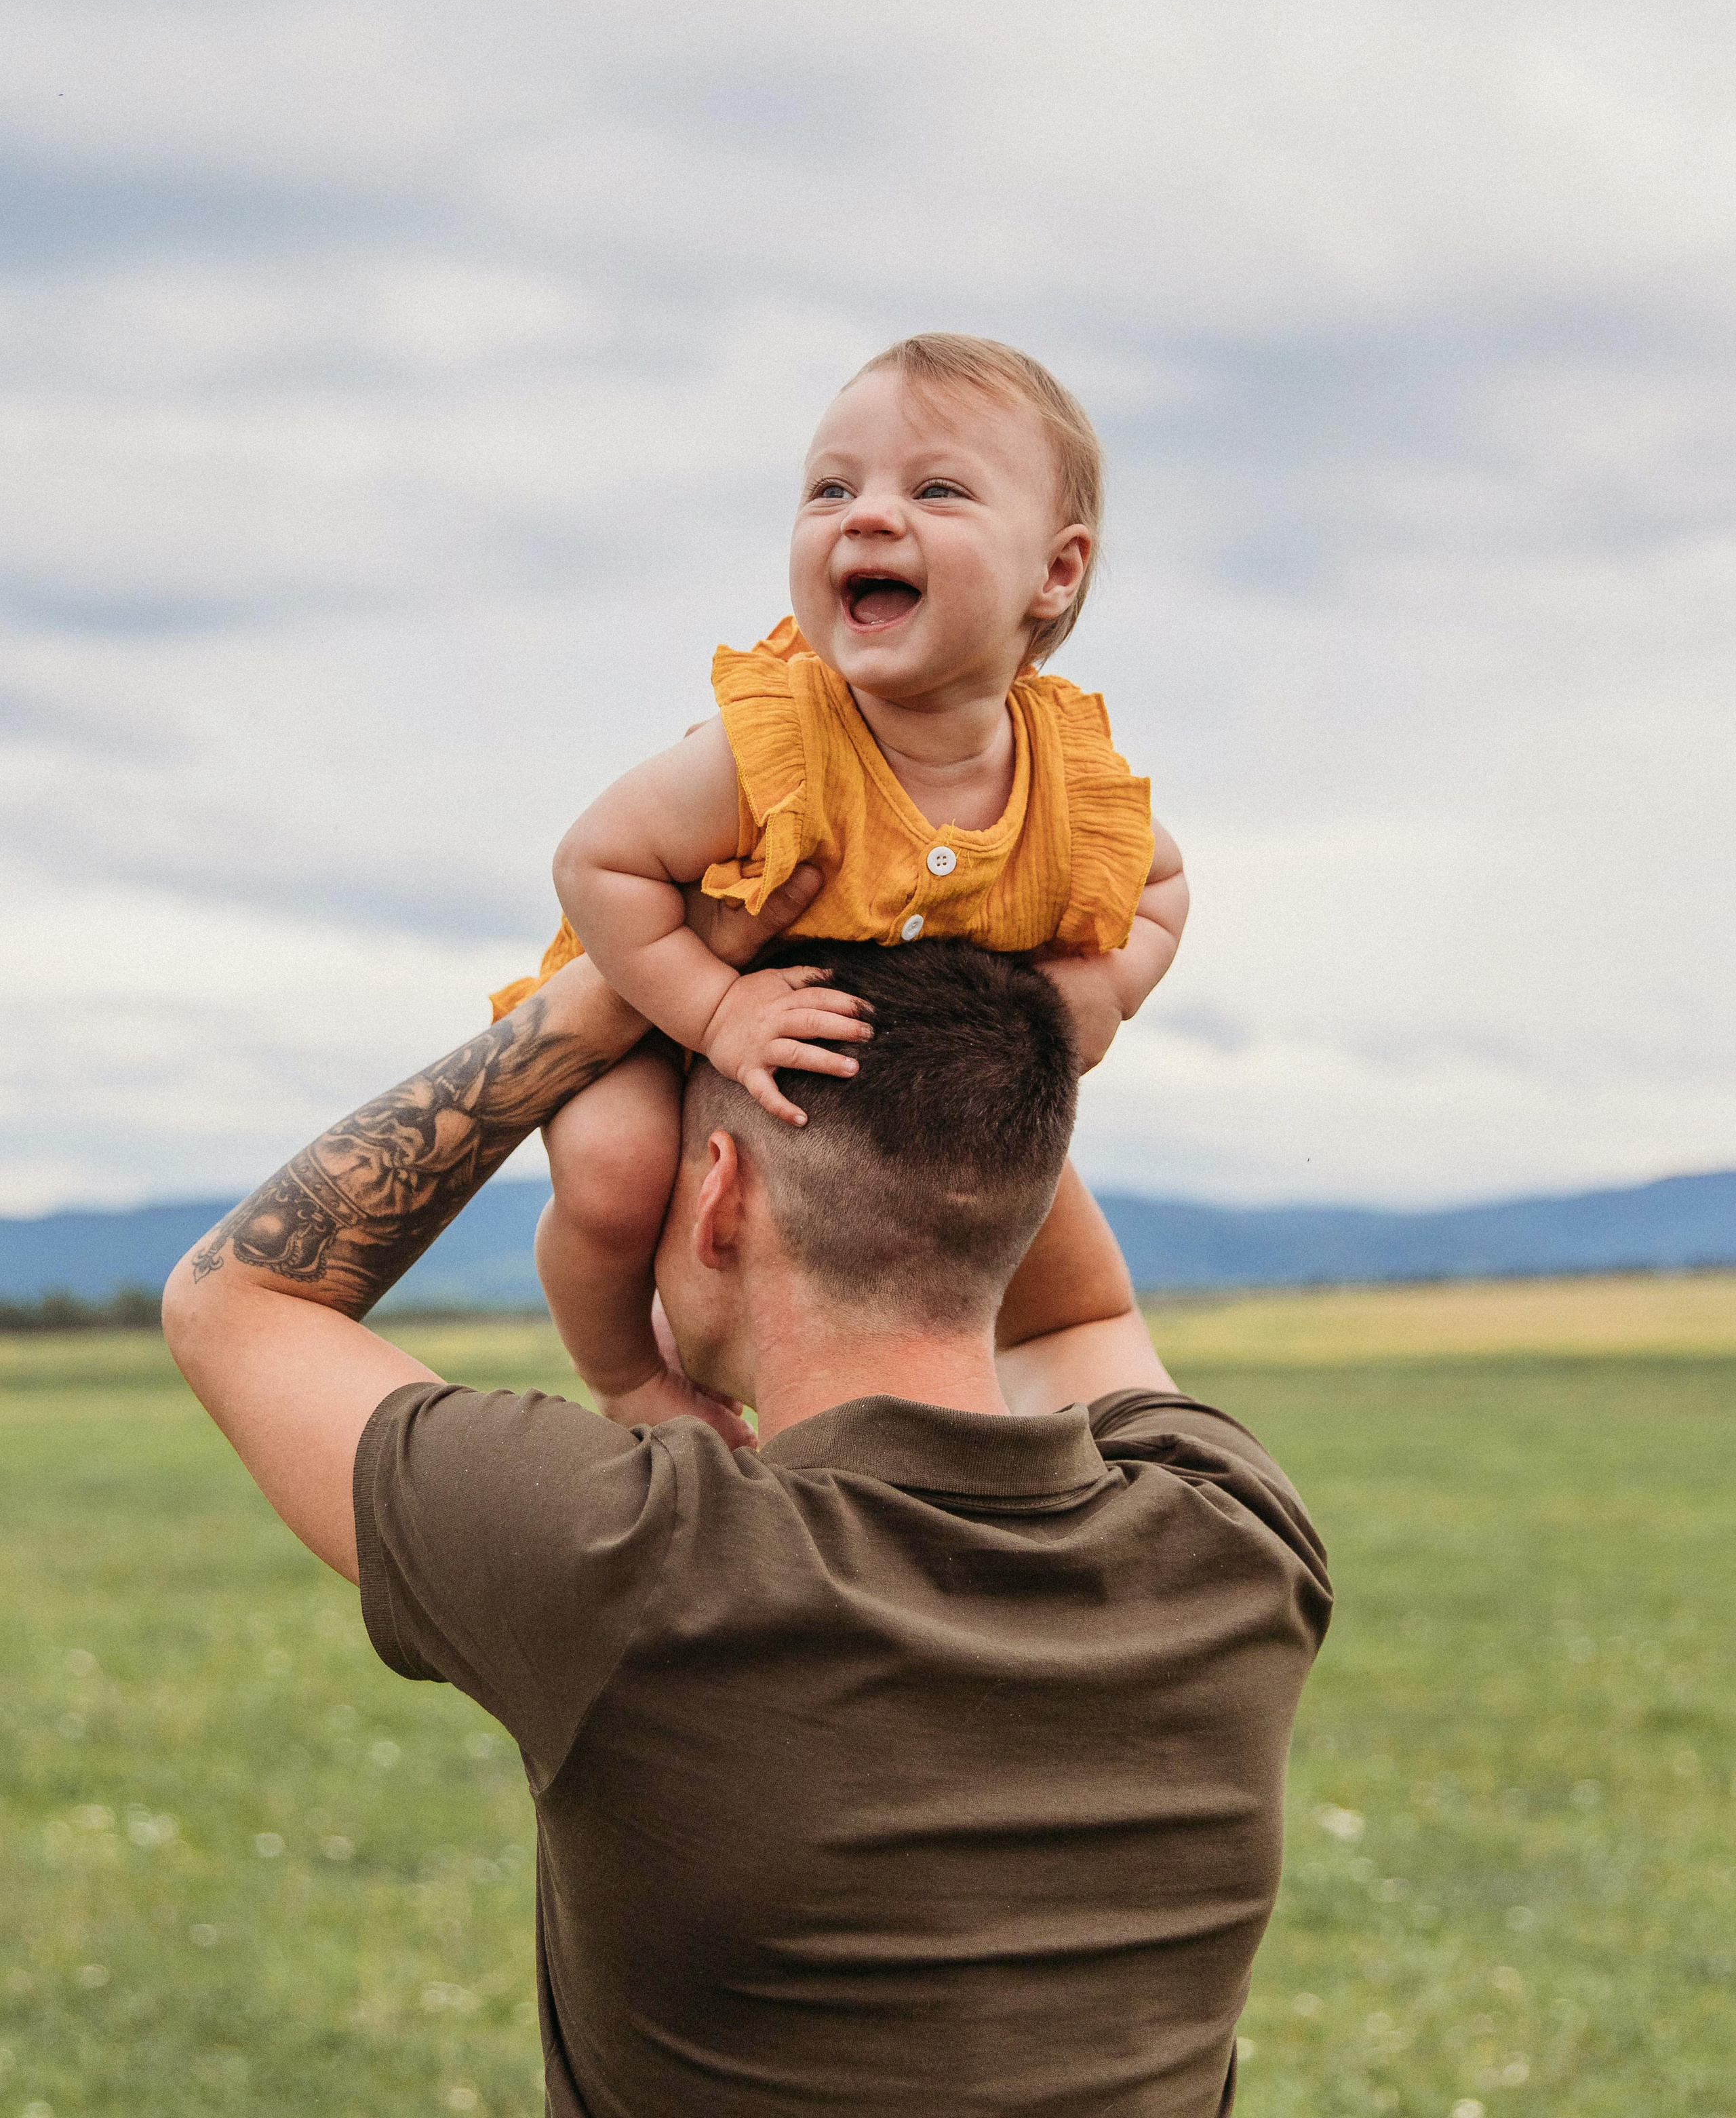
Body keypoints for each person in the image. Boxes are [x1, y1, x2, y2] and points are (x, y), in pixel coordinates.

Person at [163, 878, 1329, 2118]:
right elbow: (1078, 1310)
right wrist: (960, 985)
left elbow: (237, 1300)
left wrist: (620, 982)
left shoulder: (640, 1564)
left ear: (717, 1194)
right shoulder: (1233, 1537)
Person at [489, 331, 1191, 1438]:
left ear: (1054, 572)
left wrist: (1103, 989)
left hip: (836, 1073)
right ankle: (632, 1374)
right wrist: (713, 1010)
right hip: (652, 1003)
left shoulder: (1069, 783)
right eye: (829, 488)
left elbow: (1163, 888)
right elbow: (598, 865)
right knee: (615, 1173)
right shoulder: (776, 749)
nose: (865, 514)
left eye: (939, 488)